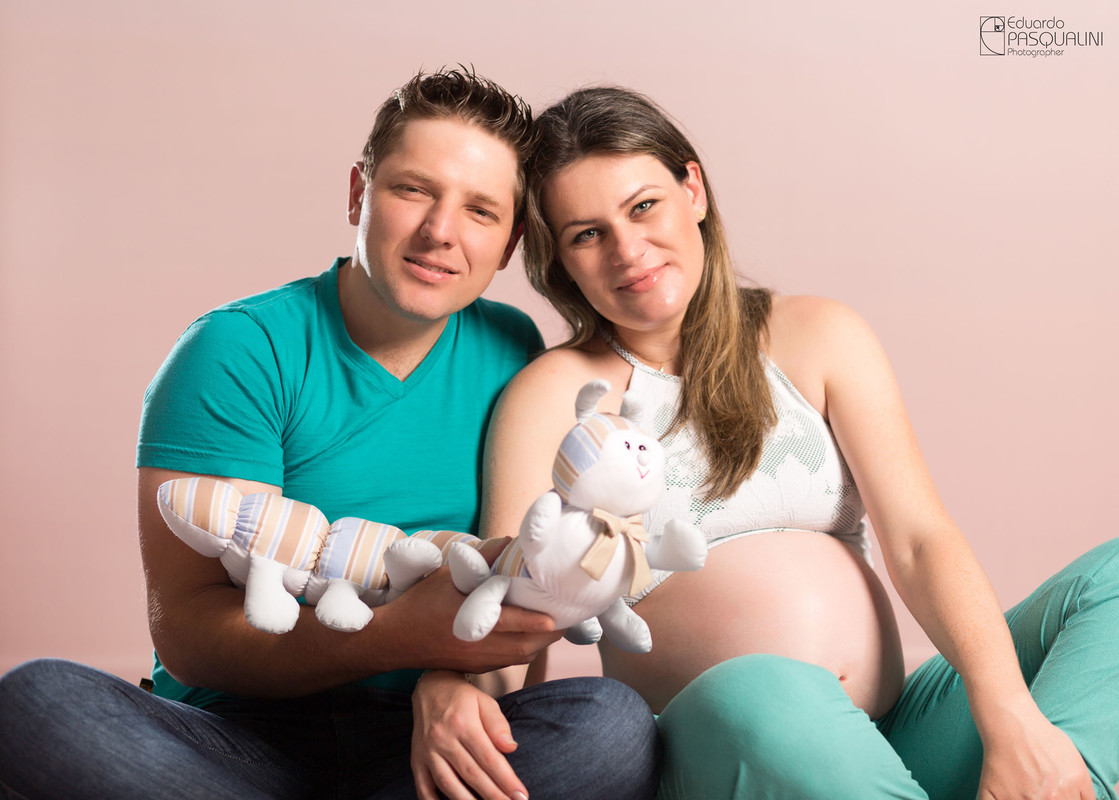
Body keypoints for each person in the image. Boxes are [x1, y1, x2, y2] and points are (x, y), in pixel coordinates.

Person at [0, 70, 659, 800]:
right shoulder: (237, 350)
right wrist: (398, 637)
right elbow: (187, 632)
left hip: (424, 739)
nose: (440, 231)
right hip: (240, 743)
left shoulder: (512, 349)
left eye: (480, 210)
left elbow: (521, 581)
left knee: (612, 724)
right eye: (413, 190)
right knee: (40, 703)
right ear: (358, 192)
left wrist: (452, 681)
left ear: (509, 244)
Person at [476, 85, 1119, 799]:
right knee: (762, 688)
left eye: (643, 206)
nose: (628, 250)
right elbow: (509, 598)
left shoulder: (816, 334)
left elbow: (917, 541)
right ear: (558, 259)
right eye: (586, 234)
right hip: (721, 745)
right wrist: (464, 696)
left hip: (891, 735)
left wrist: (1009, 718)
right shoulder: (550, 392)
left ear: (692, 189)